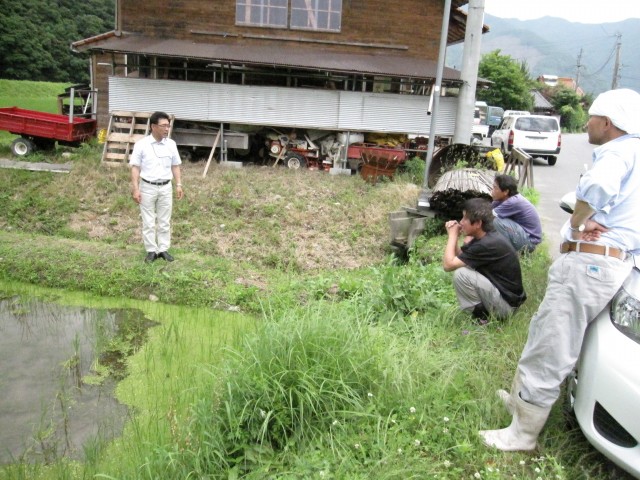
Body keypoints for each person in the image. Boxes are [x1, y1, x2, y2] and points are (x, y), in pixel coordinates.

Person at [479, 88, 640, 451]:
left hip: (590, 263)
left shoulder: (618, 150)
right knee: (544, 332)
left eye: (592, 118)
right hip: (612, 262)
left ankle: (522, 434)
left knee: (553, 342)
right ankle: (521, 404)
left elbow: (596, 186)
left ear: (608, 123)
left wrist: (582, 220)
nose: (587, 124)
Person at [443, 198, 527, 321]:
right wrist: (455, 238)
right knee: (464, 268)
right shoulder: (486, 237)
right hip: (507, 300)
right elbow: (462, 257)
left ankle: (481, 319)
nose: (461, 222)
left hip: (506, 307)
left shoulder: (486, 243)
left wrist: (452, 235)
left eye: (465, 218)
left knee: (461, 274)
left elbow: (448, 265)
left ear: (478, 223)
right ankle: (483, 314)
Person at [130, 111, 184, 263]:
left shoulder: (171, 144)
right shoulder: (142, 145)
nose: (167, 129)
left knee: (164, 220)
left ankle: (163, 249)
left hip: (166, 187)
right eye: (164, 126)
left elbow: (175, 166)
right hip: (147, 186)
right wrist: (136, 188)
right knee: (148, 221)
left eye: (168, 125)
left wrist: (178, 185)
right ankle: (151, 251)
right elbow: (135, 167)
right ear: (153, 126)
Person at [491, 174, 542, 252]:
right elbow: (485, 211)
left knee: (496, 221)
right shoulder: (500, 200)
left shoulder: (514, 201)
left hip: (530, 242)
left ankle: (504, 252)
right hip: (520, 235)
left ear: (505, 191)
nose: (492, 190)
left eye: (495, 188)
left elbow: (487, 216)